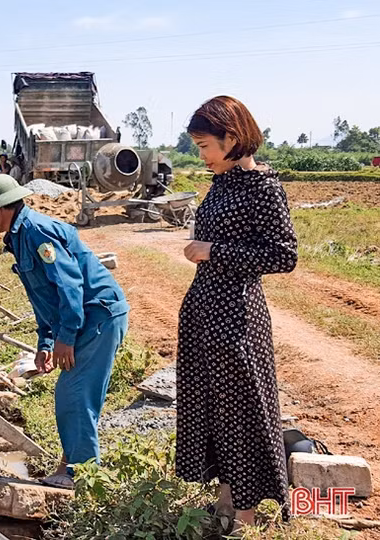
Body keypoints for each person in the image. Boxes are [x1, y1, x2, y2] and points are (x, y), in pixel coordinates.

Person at [177, 96, 297, 535]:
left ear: (232, 137)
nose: (202, 154)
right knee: (212, 407)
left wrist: (214, 251)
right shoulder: (222, 183)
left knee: (241, 410)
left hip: (236, 315)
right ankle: (226, 501)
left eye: (205, 145)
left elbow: (284, 256)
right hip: (205, 308)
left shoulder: (264, 186)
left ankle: (244, 519)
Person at [0, 174, 130, 489]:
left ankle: (81, 477)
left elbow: (70, 288)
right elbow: (43, 297)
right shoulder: (18, 235)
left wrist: (66, 339)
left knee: (73, 394)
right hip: (86, 316)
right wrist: (45, 342)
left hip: (97, 315)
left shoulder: (37, 233)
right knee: (77, 393)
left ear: (0, 209)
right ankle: (72, 463)